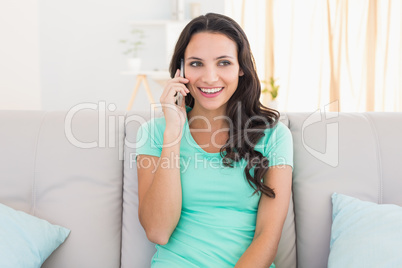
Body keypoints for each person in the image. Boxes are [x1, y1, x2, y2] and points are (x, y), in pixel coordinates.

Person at [135, 13, 293, 268]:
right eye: (197, 64)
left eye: (223, 63)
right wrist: (173, 134)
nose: (209, 77)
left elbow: (268, 236)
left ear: (241, 67)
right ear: (181, 70)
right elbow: (158, 231)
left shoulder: (274, 136)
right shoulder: (155, 133)